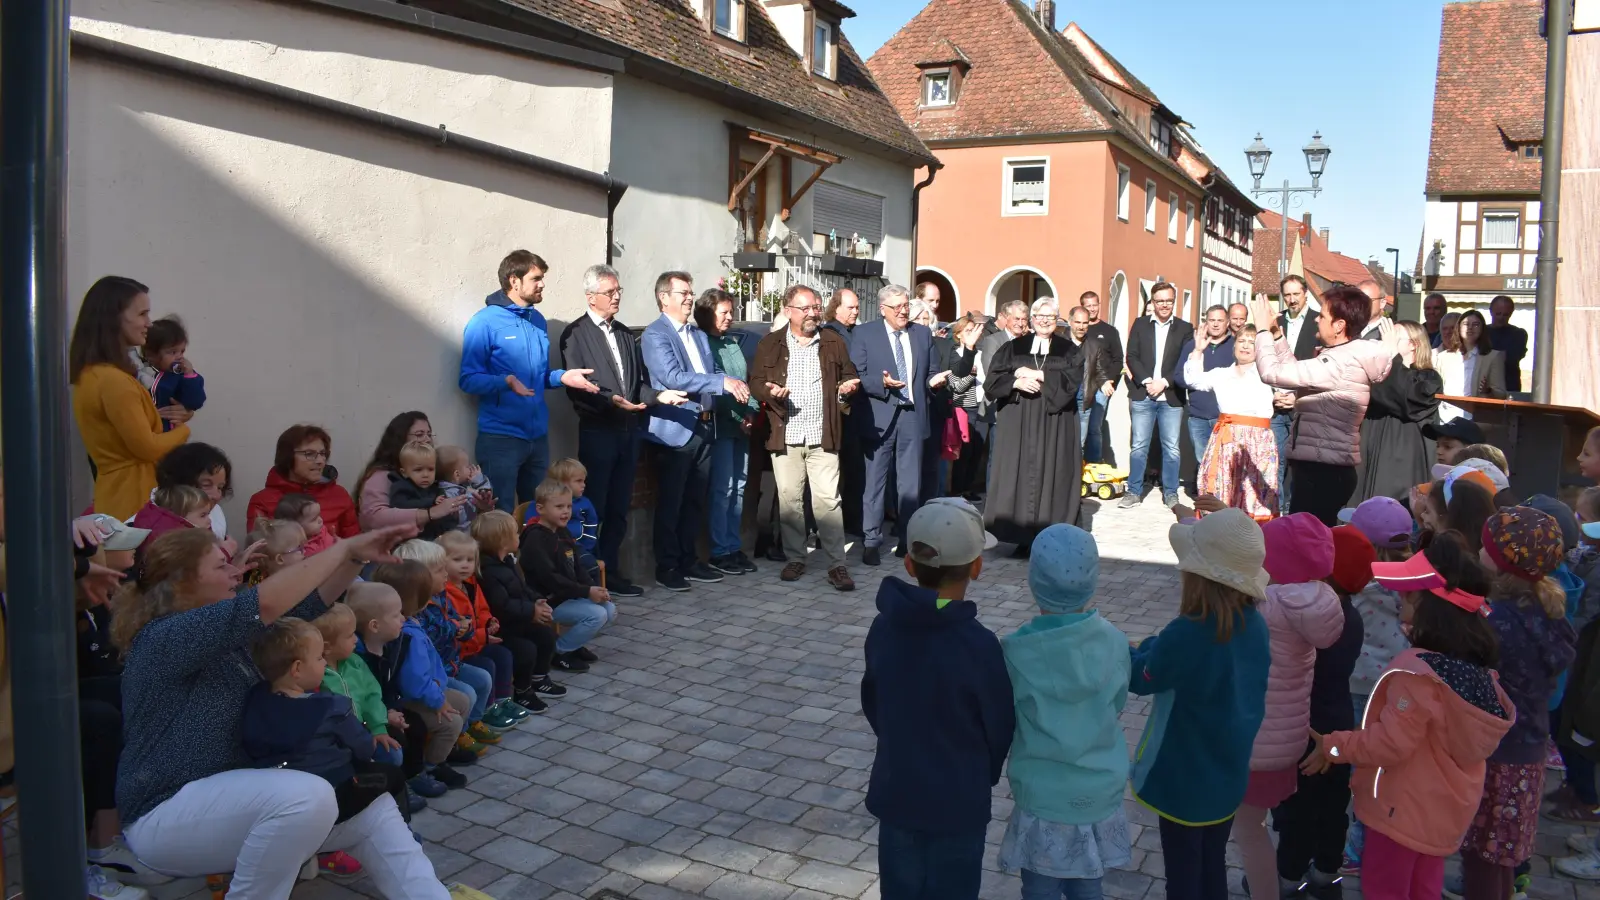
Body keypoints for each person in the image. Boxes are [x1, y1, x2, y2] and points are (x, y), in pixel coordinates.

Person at [111, 524, 451, 898]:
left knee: (374, 810)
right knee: (307, 795)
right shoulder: (163, 637)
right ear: (182, 582)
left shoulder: (224, 635)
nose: (235, 572)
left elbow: (306, 608)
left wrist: (356, 558)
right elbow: (262, 606)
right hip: (164, 813)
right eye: (221, 566)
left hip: (234, 805)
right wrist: (343, 549)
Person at [1300, 533, 1513, 900]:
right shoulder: (1477, 673)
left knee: (1385, 888)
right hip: (1441, 817)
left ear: (1432, 607)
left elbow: (1389, 745)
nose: (1400, 598)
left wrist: (1335, 746)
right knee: (1423, 888)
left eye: (1410, 594)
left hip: (1399, 814)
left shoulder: (1416, 676)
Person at [861, 498, 1013, 900]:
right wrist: (983, 773)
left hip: (898, 791)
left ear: (909, 565)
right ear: (977, 567)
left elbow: (873, 700)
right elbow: (999, 725)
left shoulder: (883, 628)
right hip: (959, 801)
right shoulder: (979, 644)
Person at [1130, 509, 1272, 900]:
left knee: (1183, 875)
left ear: (1197, 577)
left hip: (1183, 782)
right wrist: (1156, 647)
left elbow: (1144, 677)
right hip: (1227, 777)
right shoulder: (1255, 626)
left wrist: (1132, 651)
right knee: (1211, 864)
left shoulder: (1188, 632)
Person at [997, 524, 1132, 899]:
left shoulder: (1016, 652)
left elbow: (1007, 716)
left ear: (1034, 582)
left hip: (1043, 796)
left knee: (1038, 888)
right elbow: (1118, 703)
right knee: (1089, 885)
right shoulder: (1115, 642)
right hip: (1099, 789)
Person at [1459, 507, 1576, 899]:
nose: (1480, 549)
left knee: (1482, 858)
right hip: (1528, 750)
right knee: (1502, 855)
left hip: (1495, 753)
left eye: (1487, 545)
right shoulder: (1545, 609)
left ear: (1504, 560)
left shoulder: (1499, 622)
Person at [1231, 514, 1344, 900]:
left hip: (1256, 744)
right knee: (1256, 826)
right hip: (1287, 741)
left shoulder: (1265, 607)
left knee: (1249, 831)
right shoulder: (1317, 602)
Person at [558, 264, 687, 598]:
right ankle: (590, 574)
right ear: (591, 297)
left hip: (628, 434)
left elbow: (636, 386)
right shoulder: (575, 334)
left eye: (619, 291)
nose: (617, 297)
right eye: (610, 292)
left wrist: (658, 396)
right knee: (594, 507)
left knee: (619, 508)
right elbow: (577, 389)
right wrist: (611, 402)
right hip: (598, 433)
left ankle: (611, 572)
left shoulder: (626, 334)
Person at [1272, 525, 1372, 899]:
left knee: (1298, 810)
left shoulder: (1313, 621)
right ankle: (1327, 875)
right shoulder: (1353, 617)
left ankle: (1288, 878)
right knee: (1333, 806)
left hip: (1308, 725)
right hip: (1339, 721)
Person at [459, 250, 599, 513]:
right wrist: (505, 381)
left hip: (537, 438)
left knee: (537, 514)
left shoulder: (537, 320)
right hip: (500, 438)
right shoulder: (484, 323)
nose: (542, 284)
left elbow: (539, 376)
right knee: (498, 517)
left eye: (542, 278)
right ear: (514, 281)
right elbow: (468, 379)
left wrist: (563, 377)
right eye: (536, 278)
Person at [1251, 284, 1394, 526]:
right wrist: (1276, 335)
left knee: (1306, 540)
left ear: (1339, 326)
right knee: (1311, 537)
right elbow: (1296, 371)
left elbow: (1271, 373)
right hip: (1325, 466)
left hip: (1322, 471)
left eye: (1323, 316)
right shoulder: (1345, 355)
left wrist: (1262, 331)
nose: (1316, 320)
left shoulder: (1339, 363)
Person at [241, 617, 405, 826]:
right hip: (335, 793)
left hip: (282, 797)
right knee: (392, 775)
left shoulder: (256, 699)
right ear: (297, 669)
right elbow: (365, 748)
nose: (325, 663)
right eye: (319, 658)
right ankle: (401, 827)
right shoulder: (331, 708)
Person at [750, 285, 861, 591]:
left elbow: (848, 375)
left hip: (823, 434)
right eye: (806, 308)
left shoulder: (833, 341)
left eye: (816, 307)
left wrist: (847, 389)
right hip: (784, 434)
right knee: (790, 501)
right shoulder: (770, 343)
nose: (813, 313)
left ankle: (837, 564)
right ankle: (796, 558)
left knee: (828, 501)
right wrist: (769, 392)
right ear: (788, 311)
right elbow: (755, 382)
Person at [641, 271, 745, 591]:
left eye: (690, 292)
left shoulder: (697, 334)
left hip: (704, 426)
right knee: (671, 503)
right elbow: (672, 377)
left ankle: (688, 560)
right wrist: (722, 382)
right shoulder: (655, 335)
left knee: (694, 500)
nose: (690, 298)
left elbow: (709, 371)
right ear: (664, 298)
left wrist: (727, 388)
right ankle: (667, 566)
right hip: (674, 429)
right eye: (683, 293)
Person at [70, 276, 192, 520]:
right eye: (142, 314)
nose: (149, 323)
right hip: (132, 499)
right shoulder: (113, 380)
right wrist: (183, 431)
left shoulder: (93, 374)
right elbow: (148, 447)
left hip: (117, 493)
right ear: (114, 317)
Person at [362, 564, 475, 796]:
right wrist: (438, 701)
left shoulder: (412, 622)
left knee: (463, 701)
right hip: (412, 697)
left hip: (428, 689)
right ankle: (432, 765)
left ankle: (443, 752)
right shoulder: (408, 635)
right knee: (451, 721)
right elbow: (414, 682)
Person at [984, 297, 1084, 553]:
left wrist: (1039, 375)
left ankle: (1052, 534)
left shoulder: (1068, 349)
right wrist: (1015, 382)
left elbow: (1073, 381)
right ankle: (1022, 536)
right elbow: (992, 380)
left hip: (1055, 422)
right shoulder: (1013, 347)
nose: (1044, 321)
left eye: (1050, 317)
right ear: (1032, 319)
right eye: (1040, 316)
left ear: (1057, 320)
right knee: (1020, 472)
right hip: (1019, 419)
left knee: (1053, 472)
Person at [853, 284, 942, 566]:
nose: (904, 311)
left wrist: (935, 381)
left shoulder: (922, 334)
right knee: (875, 482)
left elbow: (931, 370)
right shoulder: (865, 334)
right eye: (897, 307)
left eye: (906, 305)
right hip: (879, 417)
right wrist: (881, 383)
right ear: (883, 309)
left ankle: (907, 540)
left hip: (912, 416)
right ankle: (871, 541)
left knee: (910, 484)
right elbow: (856, 374)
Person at [395, 540, 507, 743]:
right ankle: (458, 734)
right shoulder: (415, 610)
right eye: (440, 570)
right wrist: (456, 627)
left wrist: (465, 628)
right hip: (437, 671)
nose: (446, 574)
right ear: (421, 578)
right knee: (468, 694)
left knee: (483, 679)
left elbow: (460, 620)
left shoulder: (441, 596)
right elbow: (432, 638)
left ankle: (472, 722)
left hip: (451, 662)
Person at [696, 288, 761, 576]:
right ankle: (719, 550)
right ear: (708, 313)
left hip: (740, 426)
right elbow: (713, 386)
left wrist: (751, 412)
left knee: (740, 487)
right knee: (722, 489)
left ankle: (734, 547)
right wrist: (736, 415)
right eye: (723, 312)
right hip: (721, 426)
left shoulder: (731, 343)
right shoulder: (703, 344)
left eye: (731, 311)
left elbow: (745, 383)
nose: (729, 317)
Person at [436, 530, 533, 724]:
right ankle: (487, 710)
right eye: (457, 560)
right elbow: (457, 630)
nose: (465, 565)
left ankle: (502, 701)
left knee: (503, 655)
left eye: (470, 560)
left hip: (476, 641)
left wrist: (489, 622)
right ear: (441, 562)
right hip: (459, 650)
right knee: (487, 665)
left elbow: (482, 608)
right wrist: (483, 636)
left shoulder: (470, 583)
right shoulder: (443, 592)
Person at [1182, 324, 1277, 521]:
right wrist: (1198, 350)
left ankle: (1256, 533)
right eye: (1241, 341)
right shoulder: (1222, 374)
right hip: (1227, 441)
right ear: (1234, 346)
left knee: (1254, 491)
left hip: (1257, 443)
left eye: (1251, 342)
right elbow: (1193, 380)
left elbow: (1290, 385)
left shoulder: (1267, 375)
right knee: (1223, 486)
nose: (1245, 346)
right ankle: (1219, 528)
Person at [520, 480, 616, 670]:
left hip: (566, 594)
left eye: (569, 506)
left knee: (609, 609)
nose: (566, 511)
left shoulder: (561, 531)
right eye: (559, 507)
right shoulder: (535, 538)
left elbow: (578, 566)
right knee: (596, 615)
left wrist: (593, 588)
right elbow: (550, 578)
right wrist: (586, 592)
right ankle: (557, 651)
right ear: (540, 509)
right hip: (547, 601)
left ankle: (574, 645)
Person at [471, 509, 566, 698]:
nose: (519, 535)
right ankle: (522, 690)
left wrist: (536, 600)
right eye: (515, 533)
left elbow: (522, 588)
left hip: (517, 619)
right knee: (525, 650)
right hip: (501, 627)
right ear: (502, 542)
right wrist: (531, 611)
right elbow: (502, 606)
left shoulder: (507, 561)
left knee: (546, 636)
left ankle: (539, 679)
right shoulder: (488, 572)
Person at [1121, 282, 1194, 510]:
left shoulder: (1184, 328)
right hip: (1143, 394)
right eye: (1160, 300)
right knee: (1138, 446)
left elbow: (1186, 361)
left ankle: (1170, 493)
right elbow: (1132, 356)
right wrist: (1146, 381)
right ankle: (1133, 491)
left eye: (1168, 301)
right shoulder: (1140, 324)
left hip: (1170, 396)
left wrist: (1164, 382)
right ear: (1152, 302)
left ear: (1174, 302)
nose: (1164, 305)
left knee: (1171, 448)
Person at [1353, 321, 1444, 504]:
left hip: (1403, 457)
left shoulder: (1428, 378)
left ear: (1413, 344)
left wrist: (1393, 355)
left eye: (1393, 337)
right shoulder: (1376, 374)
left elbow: (1405, 395)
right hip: (1370, 449)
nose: (1385, 342)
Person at [316, 601, 407, 770]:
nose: (356, 639)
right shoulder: (316, 676)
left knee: (393, 753)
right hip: (336, 740)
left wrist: (378, 728)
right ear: (327, 647)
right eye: (350, 635)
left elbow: (371, 695)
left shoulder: (355, 663)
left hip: (363, 730)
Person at [245, 424, 361, 540]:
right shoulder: (262, 501)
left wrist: (343, 547)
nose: (320, 461)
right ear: (288, 457)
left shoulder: (339, 495)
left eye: (322, 453)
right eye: (309, 454)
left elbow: (355, 543)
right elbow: (260, 548)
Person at [1271, 276, 1320, 513]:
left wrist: (1297, 397)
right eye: (1287, 295)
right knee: (1275, 461)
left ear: (1305, 293)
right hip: (1275, 402)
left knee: (1300, 463)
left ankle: (1294, 511)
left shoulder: (1318, 322)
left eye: (1296, 294)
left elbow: (1318, 366)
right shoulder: (1276, 322)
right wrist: (1274, 394)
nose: (1291, 300)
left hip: (1303, 404)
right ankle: (1277, 509)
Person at [822, 287, 865, 532]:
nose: (855, 311)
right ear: (836, 308)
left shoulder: (855, 332)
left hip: (856, 412)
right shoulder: (830, 334)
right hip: (839, 412)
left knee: (854, 470)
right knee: (837, 473)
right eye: (850, 307)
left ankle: (852, 520)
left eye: (857, 307)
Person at [1171, 306, 1235, 470]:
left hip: (1224, 417)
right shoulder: (1192, 346)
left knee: (1225, 462)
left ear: (1227, 323)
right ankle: (1204, 486)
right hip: (1198, 415)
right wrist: (1197, 383)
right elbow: (1178, 376)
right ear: (1206, 322)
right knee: (1203, 461)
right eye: (1212, 320)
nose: (1215, 324)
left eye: (1220, 320)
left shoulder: (1235, 346)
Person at [135, 316, 205, 434]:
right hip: (142, 432)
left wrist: (190, 376)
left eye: (182, 351)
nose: (180, 356)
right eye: (173, 352)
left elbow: (195, 402)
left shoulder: (183, 376)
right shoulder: (139, 371)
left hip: (169, 434)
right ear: (151, 355)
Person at [1435, 311, 1506, 422]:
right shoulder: (1443, 357)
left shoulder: (1493, 357)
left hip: (1476, 420)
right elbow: (1436, 391)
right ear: (1458, 328)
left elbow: (1501, 395)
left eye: (1476, 324)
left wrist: (1487, 391)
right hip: (1444, 419)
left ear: (1482, 329)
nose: (1470, 328)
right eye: (1466, 324)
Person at [154, 442, 232, 540]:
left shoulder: (216, 512)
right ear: (179, 483)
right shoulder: (151, 527)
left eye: (220, 487)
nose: (216, 496)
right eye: (206, 485)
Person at [1080, 292, 1123, 465]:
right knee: (1078, 426)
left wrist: (1109, 381)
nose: (1092, 309)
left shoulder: (1109, 331)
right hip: (1080, 386)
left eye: (1094, 305)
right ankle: (1077, 464)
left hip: (1101, 387)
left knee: (1094, 427)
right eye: (1088, 305)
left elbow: (1118, 359)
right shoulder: (1079, 329)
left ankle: (1094, 463)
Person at [546, 458, 599, 577]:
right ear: (562, 483)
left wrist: (586, 547)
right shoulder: (544, 503)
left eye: (584, 481)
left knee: (590, 566)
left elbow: (591, 527)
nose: (584, 485)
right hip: (550, 549)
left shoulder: (585, 503)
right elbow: (530, 527)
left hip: (578, 547)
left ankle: (592, 589)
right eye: (579, 481)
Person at [386, 443, 451, 541]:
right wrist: (431, 502)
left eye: (430, 469)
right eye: (418, 470)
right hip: (411, 541)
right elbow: (400, 505)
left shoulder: (436, 488)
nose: (425, 475)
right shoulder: (401, 487)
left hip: (437, 538)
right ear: (404, 472)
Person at [434, 445, 493, 534]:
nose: (471, 468)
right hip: (461, 536)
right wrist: (479, 481)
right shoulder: (450, 495)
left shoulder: (459, 487)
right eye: (467, 466)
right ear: (457, 474)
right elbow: (485, 495)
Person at [1486, 295, 1528, 393]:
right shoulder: (1481, 332)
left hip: (1509, 384)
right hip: (1485, 383)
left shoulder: (1518, 334)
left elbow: (1512, 358)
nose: (1501, 317)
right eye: (1498, 313)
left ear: (1511, 313)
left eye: (1505, 314)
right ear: (1491, 311)